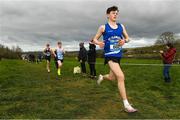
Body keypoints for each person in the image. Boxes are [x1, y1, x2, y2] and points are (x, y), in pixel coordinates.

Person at [93, 6, 137, 113]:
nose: (115, 15)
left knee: (112, 77)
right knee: (121, 76)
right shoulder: (103, 27)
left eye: (117, 13)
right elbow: (94, 39)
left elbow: (128, 38)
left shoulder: (121, 26)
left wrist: (124, 41)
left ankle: (102, 77)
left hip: (118, 56)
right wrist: (99, 43)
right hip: (109, 55)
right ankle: (126, 105)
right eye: (113, 13)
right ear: (108, 14)